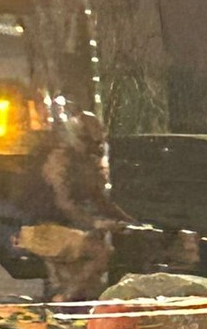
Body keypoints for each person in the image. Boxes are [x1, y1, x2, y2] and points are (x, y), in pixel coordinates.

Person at [15, 112, 131, 302]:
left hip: (65, 230)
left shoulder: (86, 161)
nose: (95, 146)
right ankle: (62, 300)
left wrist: (130, 222)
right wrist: (96, 223)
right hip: (38, 229)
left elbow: (99, 199)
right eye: (89, 140)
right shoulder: (59, 161)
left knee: (93, 277)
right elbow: (64, 204)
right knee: (101, 251)